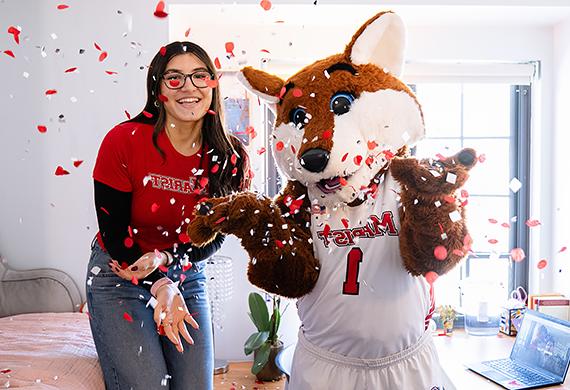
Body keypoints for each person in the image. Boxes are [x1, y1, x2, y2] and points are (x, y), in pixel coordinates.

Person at [86, 41, 251, 390]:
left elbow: (214, 235)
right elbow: (114, 233)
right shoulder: (123, 141)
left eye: (199, 76)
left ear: (212, 84)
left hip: (186, 271)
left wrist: (168, 263)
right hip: (121, 270)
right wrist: (159, 282)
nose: (188, 86)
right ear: (157, 88)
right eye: (174, 78)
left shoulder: (231, 156)